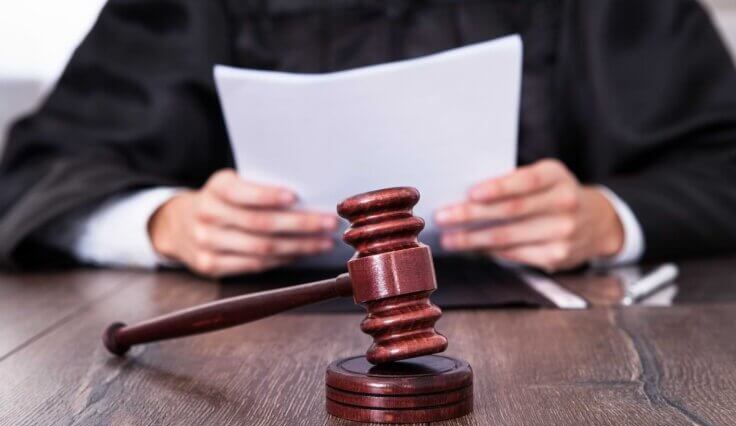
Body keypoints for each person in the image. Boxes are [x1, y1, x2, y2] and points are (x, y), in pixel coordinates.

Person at [1, 0, 736, 277]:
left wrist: (609, 216)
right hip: (246, 357)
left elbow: (721, 159)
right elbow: (45, 166)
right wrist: (167, 223)